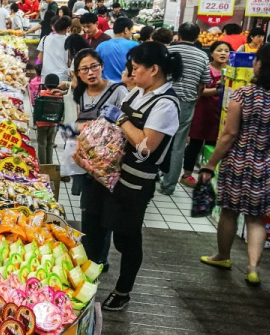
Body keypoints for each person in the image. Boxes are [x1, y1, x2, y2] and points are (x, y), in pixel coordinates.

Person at [87, 42, 183, 311]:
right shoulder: (138, 92)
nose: (130, 73)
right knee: (95, 227)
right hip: (109, 175)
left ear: (154, 69)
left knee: (126, 237)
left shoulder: (165, 104)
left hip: (135, 181)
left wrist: (121, 120)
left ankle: (123, 290)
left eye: (135, 68)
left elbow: (145, 145)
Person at [200, 43, 270, 285]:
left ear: (259, 65)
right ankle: (252, 267)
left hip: (239, 161)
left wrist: (210, 164)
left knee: (229, 212)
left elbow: (229, 134)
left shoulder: (242, 95)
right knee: (256, 218)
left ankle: (223, 256)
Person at [74, 48, 128, 270]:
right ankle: (87, 255)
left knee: (104, 212)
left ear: (102, 66)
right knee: (87, 208)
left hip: (108, 166)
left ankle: (100, 259)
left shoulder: (118, 91)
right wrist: (84, 128)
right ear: (78, 73)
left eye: (94, 66)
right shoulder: (78, 94)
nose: (90, 72)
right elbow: (69, 126)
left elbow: (126, 124)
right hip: (85, 163)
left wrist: (97, 130)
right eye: (84, 69)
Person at [161, 21, 211, 196]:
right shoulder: (202, 56)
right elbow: (202, 84)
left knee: (158, 139)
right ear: (197, 37)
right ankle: (168, 185)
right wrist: (194, 99)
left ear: (179, 35)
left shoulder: (168, 51)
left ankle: (153, 176)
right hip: (187, 103)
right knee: (178, 145)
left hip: (164, 100)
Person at [182, 40, 230, 186]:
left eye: (226, 51)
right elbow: (201, 91)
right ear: (212, 53)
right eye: (219, 50)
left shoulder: (232, 71)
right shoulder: (206, 69)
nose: (223, 53)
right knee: (196, 143)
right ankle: (187, 174)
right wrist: (217, 89)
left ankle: (208, 175)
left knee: (214, 144)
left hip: (221, 112)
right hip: (203, 110)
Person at [35, 73, 66, 164]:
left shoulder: (42, 93)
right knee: (50, 144)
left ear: (45, 84)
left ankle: (43, 165)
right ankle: (50, 163)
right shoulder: (60, 96)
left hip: (41, 123)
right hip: (53, 123)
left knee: (42, 144)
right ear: (58, 84)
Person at [97, 17, 137, 82]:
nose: (131, 33)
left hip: (106, 87)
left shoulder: (101, 46)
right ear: (126, 30)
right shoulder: (134, 45)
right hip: (127, 85)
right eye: (131, 30)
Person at [39, 15, 72, 85]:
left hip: (46, 75)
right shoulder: (69, 40)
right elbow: (69, 62)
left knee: (46, 94)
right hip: (62, 77)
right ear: (66, 28)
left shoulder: (45, 39)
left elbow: (40, 58)